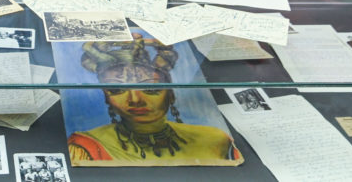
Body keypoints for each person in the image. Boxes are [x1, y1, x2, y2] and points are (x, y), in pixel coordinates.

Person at [67, 37, 242, 163]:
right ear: (106, 96)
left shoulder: (215, 140)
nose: (135, 99)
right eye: (116, 89)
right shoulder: (86, 147)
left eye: (150, 88)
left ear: (170, 92)